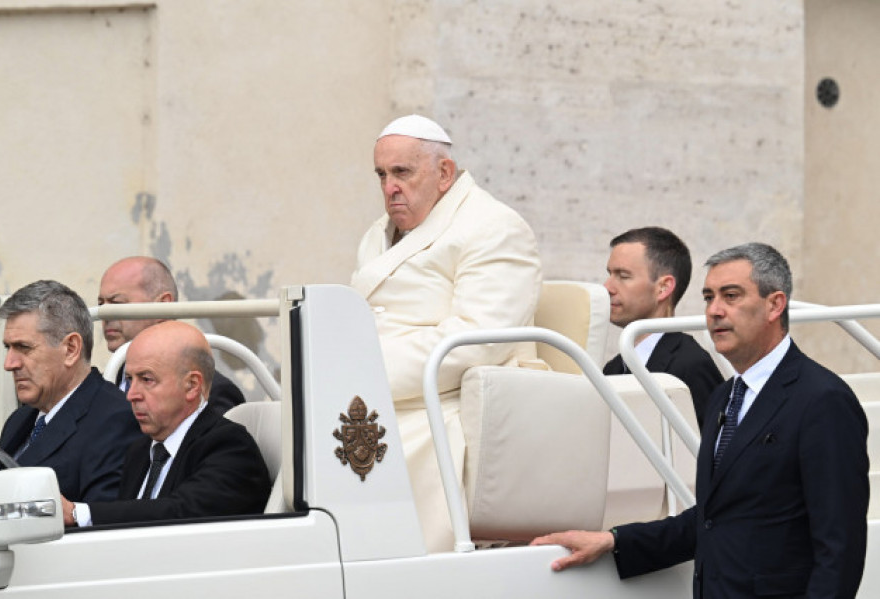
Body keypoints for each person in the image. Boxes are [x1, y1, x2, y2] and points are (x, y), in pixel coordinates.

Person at [532, 243, 869, 598]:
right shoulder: (725, 397)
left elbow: (840, 548)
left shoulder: (823, 399)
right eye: (709, 297)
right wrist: (614, 540)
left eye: (731, 296)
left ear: (775, 305)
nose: (715, 311)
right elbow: (712, 520)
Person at [350, 114, 542, 552]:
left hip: (445, 396)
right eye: (381, 174)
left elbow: (478, 340)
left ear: (444, 173)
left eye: (402, 172)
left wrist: (366, 372)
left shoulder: (494, 226)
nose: (389, 187)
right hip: (379, 387)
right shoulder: (376, 235)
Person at [63, 321, 272, 527]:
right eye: (129, 379)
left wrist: (78, 513)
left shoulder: (229, 446)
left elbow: (181, 513)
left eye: (146, 379)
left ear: (191, 386)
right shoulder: (140, 451)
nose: (131, 394)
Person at [0, 280, 143, 502]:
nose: (9, 364)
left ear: (71, 349)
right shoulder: (19, 420)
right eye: (9, 348)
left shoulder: (116, 421)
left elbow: (101, 525)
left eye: (24, 348)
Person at [602, 227, 724, 428]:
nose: (607, 287)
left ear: (663, 288)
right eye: (609, 274)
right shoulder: (613, 368)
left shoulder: (691, 365)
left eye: (623, 276)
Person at [98, 256, 245, 415]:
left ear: (163, 306)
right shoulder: (109, 380)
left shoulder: (209, 393)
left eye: (117, 303)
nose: (106, 315)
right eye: (101, 305)